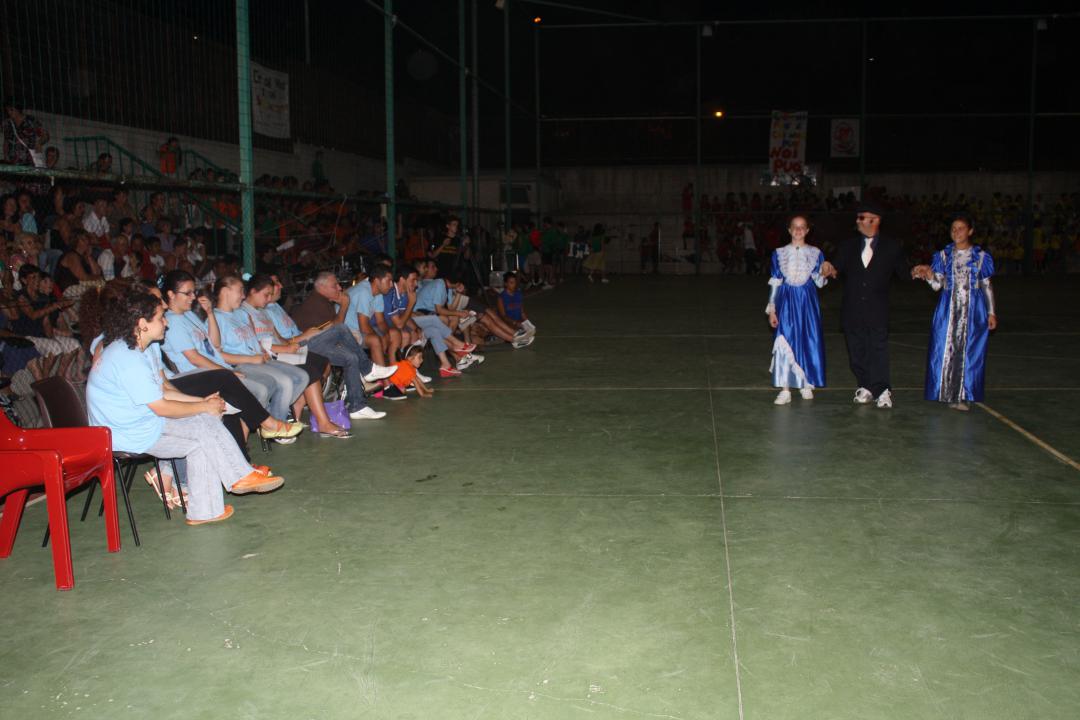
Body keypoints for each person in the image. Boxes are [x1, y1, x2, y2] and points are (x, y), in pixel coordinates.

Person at [86, 289, 284, 526]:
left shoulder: (138, 348)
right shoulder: (128, 358)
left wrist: (203, 402)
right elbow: (161, 407)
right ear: (142, 324)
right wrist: (202, 407)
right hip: (126, 434)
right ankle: (239, 475)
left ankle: (205, 511)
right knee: (204, 424)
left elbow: (162, 391)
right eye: (161, 318)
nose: (166, 322)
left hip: (137, 423)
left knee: (204, 428)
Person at [821, 202, 912, 409]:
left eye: (863, 217)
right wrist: (828, 268)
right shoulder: (847, 246)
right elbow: (835, 270)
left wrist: (919, 271)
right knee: (856, 352)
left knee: (878, 350)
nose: (858, 221)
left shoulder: (892, 246)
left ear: (876, 220)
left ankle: (883, 390)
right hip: (852, 309)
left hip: (877, 310)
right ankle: (866, 386)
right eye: (858, 217)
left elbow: (905, 273)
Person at [913, 214, 997, 411]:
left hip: (973, 309)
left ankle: (964, 393)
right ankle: (947, 392)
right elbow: (937, 285)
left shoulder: (981, 257)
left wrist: (991, 312)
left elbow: (986, 286)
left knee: (970, 351)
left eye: (961, 228)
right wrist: (928, 274)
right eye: (953, 228)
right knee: (945, 349)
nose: (956, 232)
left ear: (970, 231)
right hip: (948, 309)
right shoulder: (943, 256)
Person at [765, 216, 827, 405]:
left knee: (808, 338)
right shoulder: (779, 253)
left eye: (802, 227)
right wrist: (772, 309)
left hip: (807, 302)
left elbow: (819, 282)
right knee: (784, 339)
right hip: (786, 301)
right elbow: (775, 282)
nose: (798, 230)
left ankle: (806, 383)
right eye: (795, 227)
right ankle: (785, 388)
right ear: (789, 230)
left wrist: (825, 273)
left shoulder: (816, 253)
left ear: (807, 230)